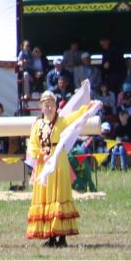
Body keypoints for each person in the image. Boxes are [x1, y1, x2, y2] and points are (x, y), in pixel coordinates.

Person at [25, 90, 82, 248]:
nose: (49, 108)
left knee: (59, 194)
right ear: (41, 107)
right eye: (46, 105)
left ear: (56, 106)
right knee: (46, 196)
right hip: (44, 163)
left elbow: (76, 116)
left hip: (58, 161)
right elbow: (32, 144)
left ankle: (62, 236)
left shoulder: (61, 122)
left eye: (51, 105)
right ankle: (50, 235)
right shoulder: (37, 125)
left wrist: (88, 106)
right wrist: (40, 154)